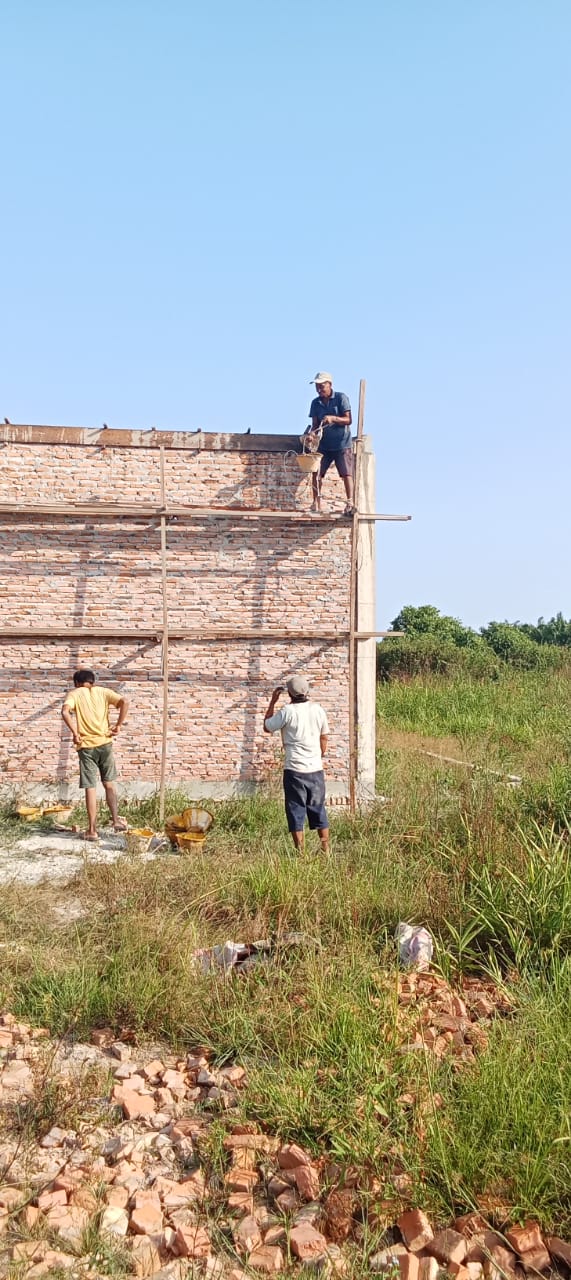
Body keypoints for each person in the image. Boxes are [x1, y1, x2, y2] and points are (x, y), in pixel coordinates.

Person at [263, 674, 330, 852]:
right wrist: (319, 755)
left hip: (294, 770)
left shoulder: (287, 711)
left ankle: (300, 852)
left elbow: (267, 726)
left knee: (295, 809)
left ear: (290, 694)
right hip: (315, 769)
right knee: (318, 807)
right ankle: (326, 848)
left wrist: (272, 701)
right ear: (307, 691)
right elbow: (324, 737)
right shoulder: (318, 710)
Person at [61, 669, 129, 841]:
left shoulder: (75, 694)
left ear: (76, 682)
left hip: (86, 747)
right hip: (105, 743)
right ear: (92, 681)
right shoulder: (103, 692)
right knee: (109, 784)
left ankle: (92, 830)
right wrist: (118, 725)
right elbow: (124, 702)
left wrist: (75, 733)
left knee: (91, 787)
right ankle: (116, 821)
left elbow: (64, 712)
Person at [307, 372, 354, 515]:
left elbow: (348, 420)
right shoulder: (315, 403)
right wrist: (311, 435)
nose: (319, 389)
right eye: (317, 386)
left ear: (330, 385)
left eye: (321, 386)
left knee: (346, 473)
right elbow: (315, 425)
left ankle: (350, 502)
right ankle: (316, 502)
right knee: (317, 473)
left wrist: (333, 418)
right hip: (324, 445)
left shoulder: (341, 398)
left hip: (341, 443)